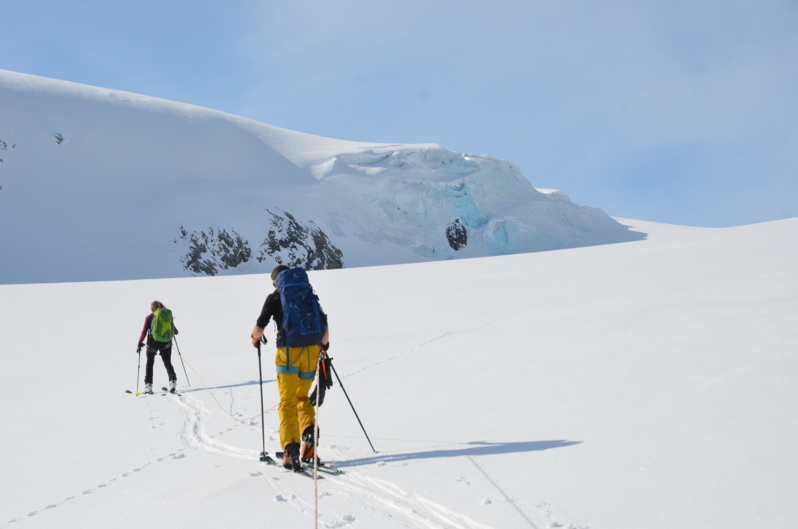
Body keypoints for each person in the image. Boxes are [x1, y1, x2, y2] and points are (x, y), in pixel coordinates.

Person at [251, 265, 329, 471]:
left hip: (288, 354)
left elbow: (259, 329)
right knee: (302, 398)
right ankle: (309, 436)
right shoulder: (308, 294)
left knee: (287, 401)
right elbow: (324, 328)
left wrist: (254, 339)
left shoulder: (275, 298)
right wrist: (323, 347)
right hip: (311, 352)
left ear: (277, 281)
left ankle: (291, 450)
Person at [137, 300, 179, 394]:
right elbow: (176, 332)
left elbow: (144, 332)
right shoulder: (168, 316)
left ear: (152, 309)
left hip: (153, 343)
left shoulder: (149, 317)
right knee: (167, 362)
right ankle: (172, 382)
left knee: (150, 364)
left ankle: (148, 386)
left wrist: (140, 343)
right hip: (166, 343)